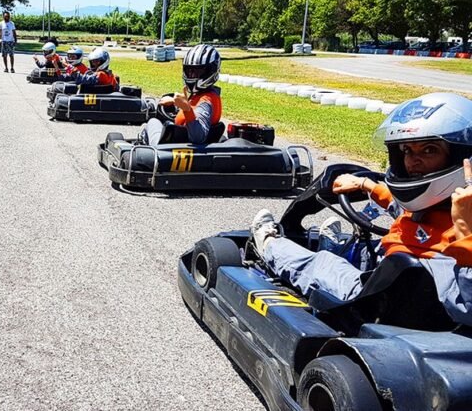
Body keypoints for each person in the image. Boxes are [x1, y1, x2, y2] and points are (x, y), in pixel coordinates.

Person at [250, 92, 472, 324]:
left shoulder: (464, 218)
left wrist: (467, 233)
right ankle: (338, 247)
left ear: (464, 158)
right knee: (368, 247)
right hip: (392, 269)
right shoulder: (441, 204)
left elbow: (464, 306)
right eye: (407, 150)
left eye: (429, 150)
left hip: (384, 300)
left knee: (323, 265)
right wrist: (366, 185)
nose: (412, 161)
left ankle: (271, 246)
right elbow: (405, 210)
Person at [141, 44, 222, 146]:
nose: (192, 76)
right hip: (181, 142)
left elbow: (198, 136)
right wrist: (175, 102)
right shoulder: (205, 95)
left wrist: (186, 108)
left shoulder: (206, 102)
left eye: (198, 72)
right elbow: (194, 111)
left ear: (210, 71)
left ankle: (141, 149)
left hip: (174, 149)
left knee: (151, 122)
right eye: (189, 71)